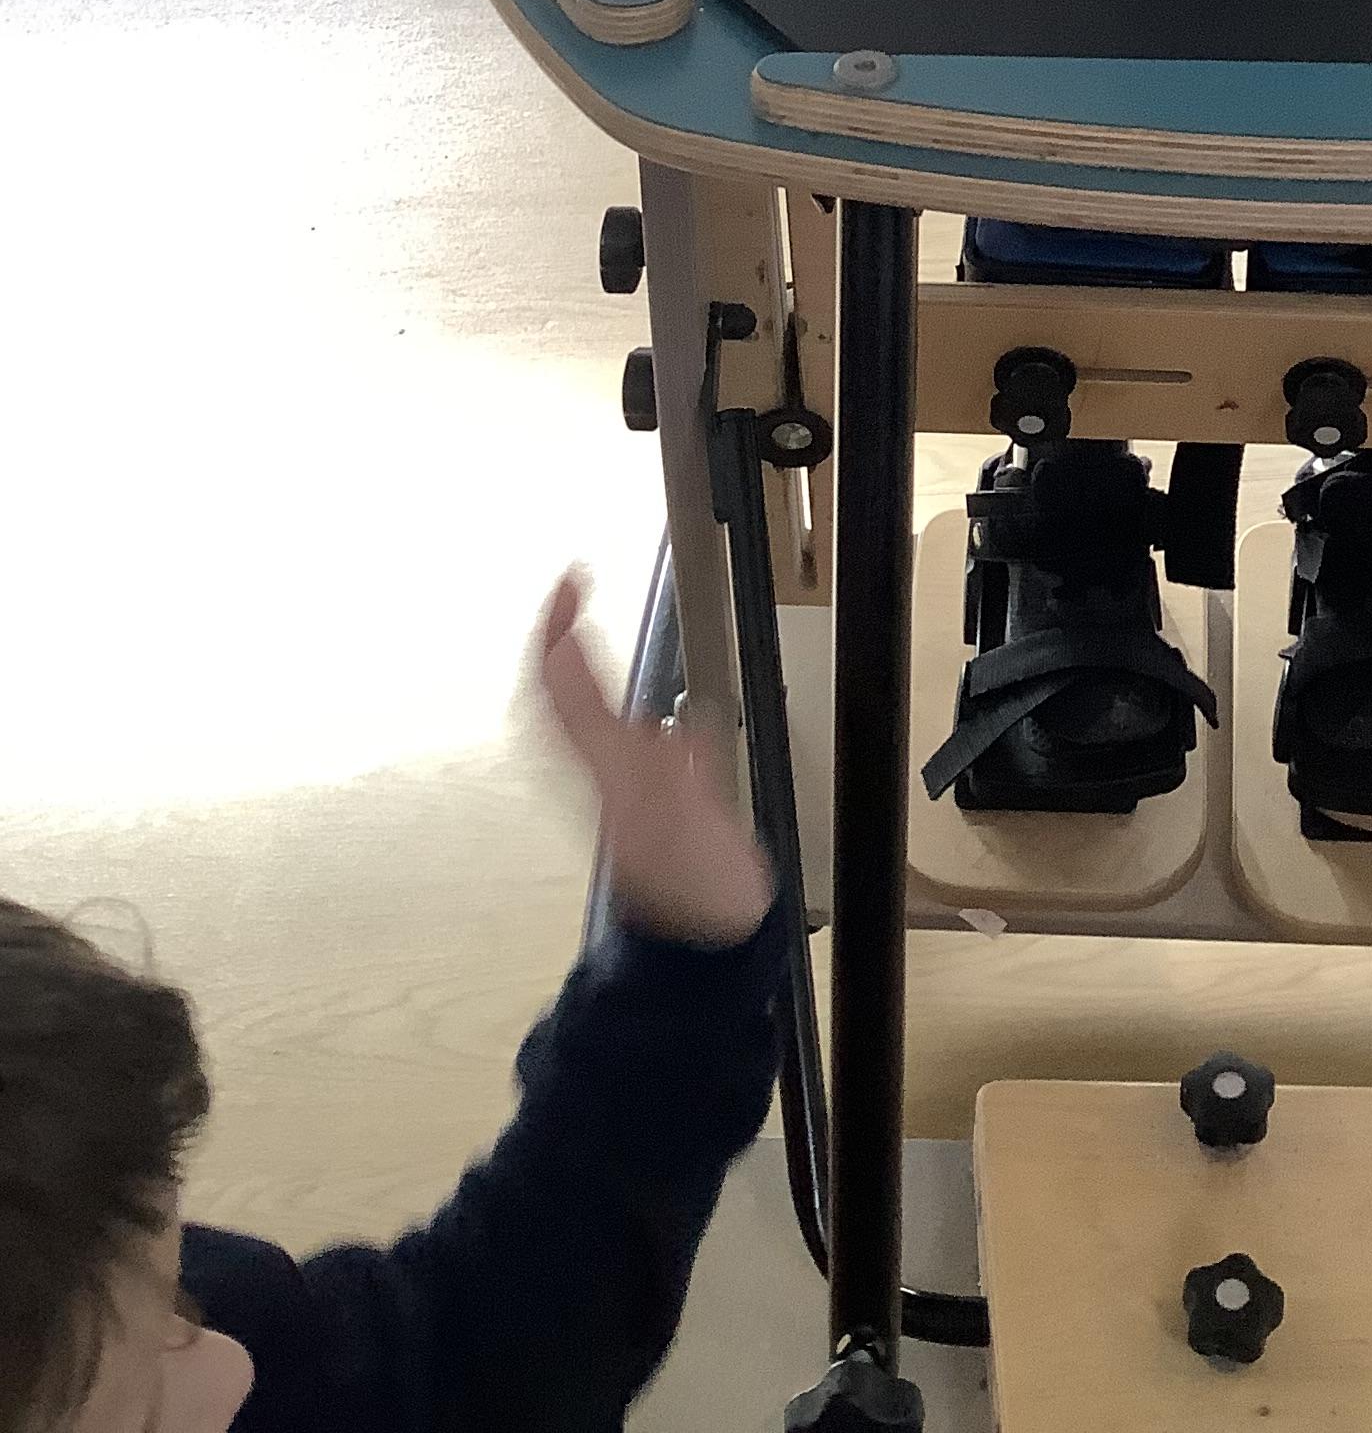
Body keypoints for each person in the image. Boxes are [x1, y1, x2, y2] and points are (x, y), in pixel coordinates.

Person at [0, 579, 784, 1433]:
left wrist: (681, 969)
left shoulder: (109, 1291)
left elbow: (464, 1361)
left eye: (178, 1295)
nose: (229, 1363)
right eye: (149, 1420)